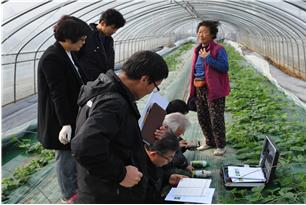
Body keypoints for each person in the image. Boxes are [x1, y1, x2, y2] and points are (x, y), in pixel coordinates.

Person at [71, 50, 169, 203]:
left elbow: (111, 135)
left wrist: (145, 133)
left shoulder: (104, 87)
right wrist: (121, 173)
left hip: (99, 186)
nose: (151, 92)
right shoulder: (113, 103)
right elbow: (84, 147)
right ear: (144, 79)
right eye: (155, 87)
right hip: (108, 192)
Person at [37, 15, 90, 203]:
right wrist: (66, 123)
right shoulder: (52, 57)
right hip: (58, 118)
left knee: (72, 153)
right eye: (82, 39)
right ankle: (69, 195)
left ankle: (76, 186)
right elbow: (56, 93)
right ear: (67, 39)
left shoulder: (68, 53)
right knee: (65, 156)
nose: (84, 43)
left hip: (70, 113)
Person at [188, 20, 230, 156]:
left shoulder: (218, 50)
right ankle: (209, 141)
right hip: (199, 87)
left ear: (212, 34)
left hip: (214, 89)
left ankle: (220, 145)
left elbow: (224, 67)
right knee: (203, 117)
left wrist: (208, 59)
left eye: (205, 32)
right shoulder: (197, 49)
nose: (201, 34)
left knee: (216, 118)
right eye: (199, 32)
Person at [77, 8, 126, 82]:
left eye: (116, 29)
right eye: (113, 28)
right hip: (88, 82)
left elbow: (110, 61)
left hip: (104, 82)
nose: (115, 31)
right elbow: (78, 60)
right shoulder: (86, 36)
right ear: (103, 23)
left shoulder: (109, 40)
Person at [144, 131, 187, 203]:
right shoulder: (140, 171)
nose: (170, 161)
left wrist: (168, 178)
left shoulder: (156, 161)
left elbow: (159, 173)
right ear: (153, 154)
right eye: (169, 158)